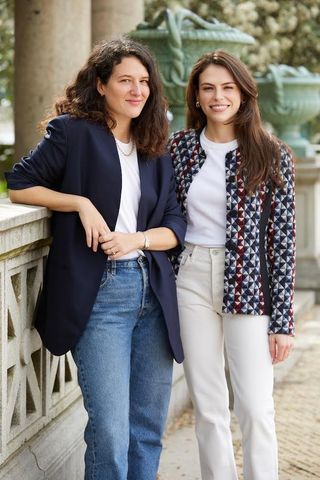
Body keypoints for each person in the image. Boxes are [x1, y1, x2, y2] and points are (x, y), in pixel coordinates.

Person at [6, 38, 186, 480]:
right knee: (108, 429)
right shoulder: (72, 131)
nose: (137, 90)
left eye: (144, 82)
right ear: (101, 85)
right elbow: (20, 185)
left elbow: (176, 225)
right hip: (101, 292)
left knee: (146, 427)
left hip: (155, 293)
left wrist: (138, 239)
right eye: (125, 80)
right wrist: (79, 203)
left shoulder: (155, 141)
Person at [168, 50, 295, 480]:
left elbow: (282, 243)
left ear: (243, 93)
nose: (218, 96)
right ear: (197, 97)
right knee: (208, 405)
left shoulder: (271, 153)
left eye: (227, 87)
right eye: (208, 88)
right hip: (191, 278)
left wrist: (283, 321)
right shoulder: (179, 149)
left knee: (256, 407)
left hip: (249, 281)